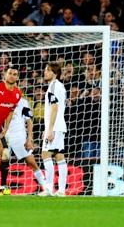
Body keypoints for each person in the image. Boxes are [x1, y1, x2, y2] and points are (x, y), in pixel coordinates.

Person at [5, 96, 49, 194]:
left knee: (31, 161)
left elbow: (29, 121)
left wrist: (29, 138)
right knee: (0, 161)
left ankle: (46, 186)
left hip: (19, 136)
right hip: (4, 135)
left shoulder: (23, 102)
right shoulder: (1, 99)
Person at [40, 62, 68, 197]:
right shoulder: (59, 87)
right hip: (59, 126)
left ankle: (49, 188)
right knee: (59, 157)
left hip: (55, 127)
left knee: (45, 154)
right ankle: (61, 190)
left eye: (47, 70)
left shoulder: (53, 86)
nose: (45, 72)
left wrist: (49, 129)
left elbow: (55, 107)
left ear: (54, 73)